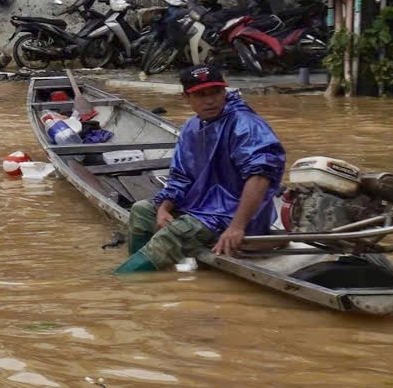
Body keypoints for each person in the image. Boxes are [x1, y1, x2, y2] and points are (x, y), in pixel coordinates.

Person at [116, 64, 285, 273]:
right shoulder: (191, 127)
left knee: (177, 232)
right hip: (201, 207)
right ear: (186, 97)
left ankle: (124, 280)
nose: (210, 100)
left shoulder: (245, 125)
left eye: (215, 92)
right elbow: (181, 176)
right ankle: (143, 276)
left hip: (234, 214)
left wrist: (237, 227)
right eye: (200, 95)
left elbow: (260, 177)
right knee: (141, 210)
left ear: (224, 91)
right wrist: (163, 208)